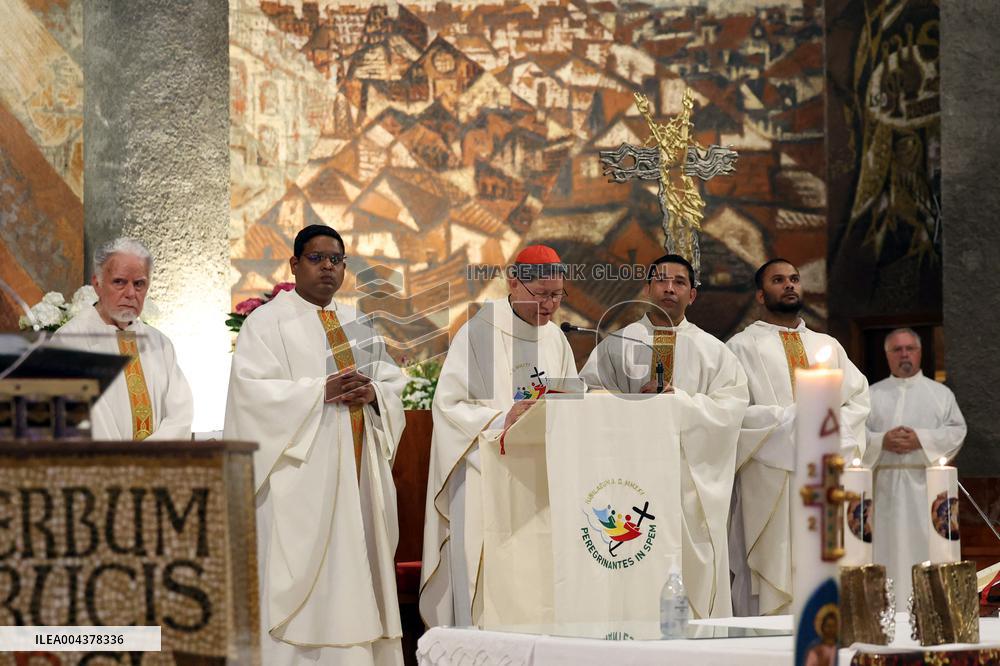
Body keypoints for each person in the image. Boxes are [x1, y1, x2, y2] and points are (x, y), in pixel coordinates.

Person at [224, 224, 407, 665]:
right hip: (301, 486)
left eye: (336, 260)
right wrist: (316, 392)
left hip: (360, 478)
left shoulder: (359, 325)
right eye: (316, 258)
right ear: (294, 264)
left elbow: (391, 383)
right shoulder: (265, 323)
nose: (327, 267)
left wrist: (375, 395)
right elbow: (251, 394)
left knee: (359, 573)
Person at [579, 254, 748, 618]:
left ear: (693, 294)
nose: (669, 288)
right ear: (647, 288)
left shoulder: (714, 352)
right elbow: (587, 401)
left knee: (692, 570)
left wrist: (679, 402)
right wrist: (627, 404)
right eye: (661, 280)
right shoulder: (616, 345)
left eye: (679, 282)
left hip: (691, 482)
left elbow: (731, 409)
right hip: (630, 477)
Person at [419, 245, 578, 627]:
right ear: (514, 283)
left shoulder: (555, 339)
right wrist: (501, 419)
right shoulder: (482, 333)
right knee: (491, 585)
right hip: (485, 478)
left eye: (557, 295)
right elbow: (451, 406)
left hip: (541, 484)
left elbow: (570, 400)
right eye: (541, 294)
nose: (550, 305)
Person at [726, 258, 869, 616]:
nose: (789, 285)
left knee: (824, 565)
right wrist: (793, 421)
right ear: (761, 294)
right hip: (770, 478)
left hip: (824, 475)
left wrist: (824, 431)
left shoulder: (828, 346)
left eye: (794, 279)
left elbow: (858, 402)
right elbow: (733, 412)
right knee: (773, 569)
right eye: (778, 280)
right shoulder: (740, 347)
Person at [52, 237, 192, 440]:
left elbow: (180, 415)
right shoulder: (68, 343)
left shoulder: (160, 344)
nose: (130, 293)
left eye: (139, 284)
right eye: (119, 282)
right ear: (97, 283)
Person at [865, 328, 965, 603]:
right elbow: (851, 434)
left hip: (926, 493)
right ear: (887, 356)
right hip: (883, 493)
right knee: (886, 554)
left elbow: (957, 431)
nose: (904, 354)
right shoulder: (871, 395)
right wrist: (880, 441)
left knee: (925, 551)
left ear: (920, 352)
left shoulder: (940, 395)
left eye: (910, 348)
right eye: (897, 350)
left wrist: (921, 439)